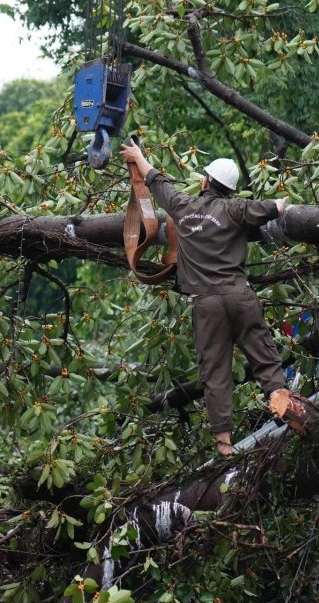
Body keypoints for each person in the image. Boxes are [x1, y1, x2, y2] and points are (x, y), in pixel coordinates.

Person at [118, 141, 305, 455]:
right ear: (229, 190)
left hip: (207, 305)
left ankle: (224, 444)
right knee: (263, 356)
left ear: (204, 182)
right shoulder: (235, 209)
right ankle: (284, 402)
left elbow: (157, 182)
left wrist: (138, 157)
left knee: (216, 372)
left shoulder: (183, 206)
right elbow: (276, 207)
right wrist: (285, 201)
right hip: (239, 296)